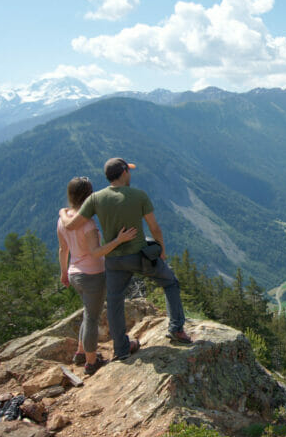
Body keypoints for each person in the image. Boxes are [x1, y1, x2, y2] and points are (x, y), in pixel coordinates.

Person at [60, 157, 192, 360]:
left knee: (114, 302)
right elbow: (155, 228)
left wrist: (62, 212)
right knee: (170, 282)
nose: (130, 174)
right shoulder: (138, 196)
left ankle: (121, 349)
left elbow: (71, 225)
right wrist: (162, 251)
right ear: (123, 173)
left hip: (113, 260)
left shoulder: (95, 199)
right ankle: (176, 328)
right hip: (139, 256)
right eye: (128, 171)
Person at [57, 176, 138, 375]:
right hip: (93, 274)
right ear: (89, 197)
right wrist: (119, 240)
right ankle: (91, 362)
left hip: (74, 273)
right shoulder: (88, 225)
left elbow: (62, 249)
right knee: (92, 318)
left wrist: (63, 273)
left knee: (88, 313)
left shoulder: (63, 219)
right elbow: (95, 252)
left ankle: (81, 352)